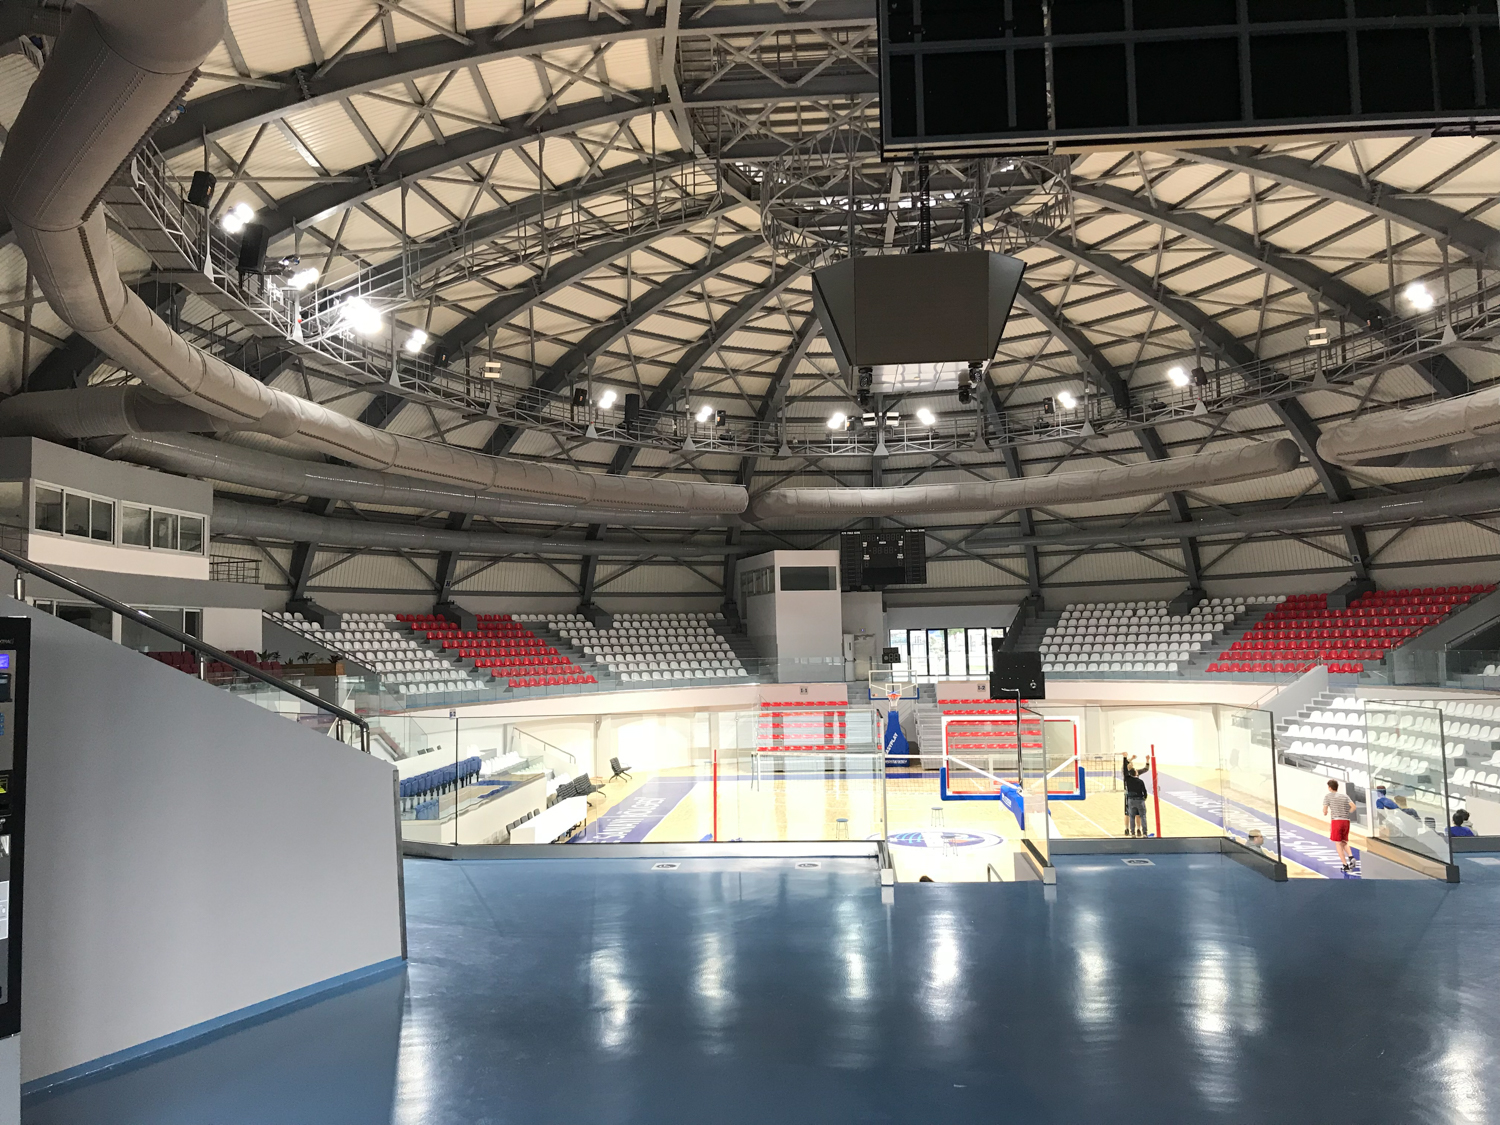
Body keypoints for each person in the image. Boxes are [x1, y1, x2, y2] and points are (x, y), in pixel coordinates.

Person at [1322, 778, 1358, 872]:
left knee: (1338, 844)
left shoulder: (1328, 796)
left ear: (1330, 788)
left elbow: (1325, 811)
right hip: (1346, 821)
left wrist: (1325, 812)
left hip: (1336, 821)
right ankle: (1351, 857)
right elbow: (1353, 807)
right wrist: (1348, 812)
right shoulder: (1344, 796)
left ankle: (1345, 865)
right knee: (1344, 841)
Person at [1123, 755, 1152, 838]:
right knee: (1129, 814)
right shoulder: (1127, 775)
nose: (1132, 765)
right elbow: (1145, 791)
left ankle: (1136, 830)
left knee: (1135, 815)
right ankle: (1128, 829)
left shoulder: (1130, 775)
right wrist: (1144, 798)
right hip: (1132, 796)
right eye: (1130, 764)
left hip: (1131, 798)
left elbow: (1145, 769)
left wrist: (1147, 760)